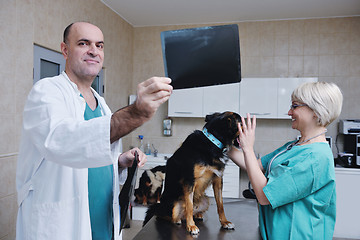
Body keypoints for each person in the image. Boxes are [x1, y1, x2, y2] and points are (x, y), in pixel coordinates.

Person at [16, 22, 172, 240]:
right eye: (83, 43)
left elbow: (92, 152)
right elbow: (63, 141)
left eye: (99, 46)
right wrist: (136, 112)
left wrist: (118, 161)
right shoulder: (46, 92)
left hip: (102, 220)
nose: (94, 51)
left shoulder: (101, 104)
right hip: (63, 224)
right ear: (65, 50)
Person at [228, 82, 343, 240]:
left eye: (295, 106)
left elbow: (264, 196)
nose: (289, 112)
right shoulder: (294, 146)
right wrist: (219, 144)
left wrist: (248, 148)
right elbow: (256, 165)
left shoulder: (315, 157)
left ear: (316, 111)